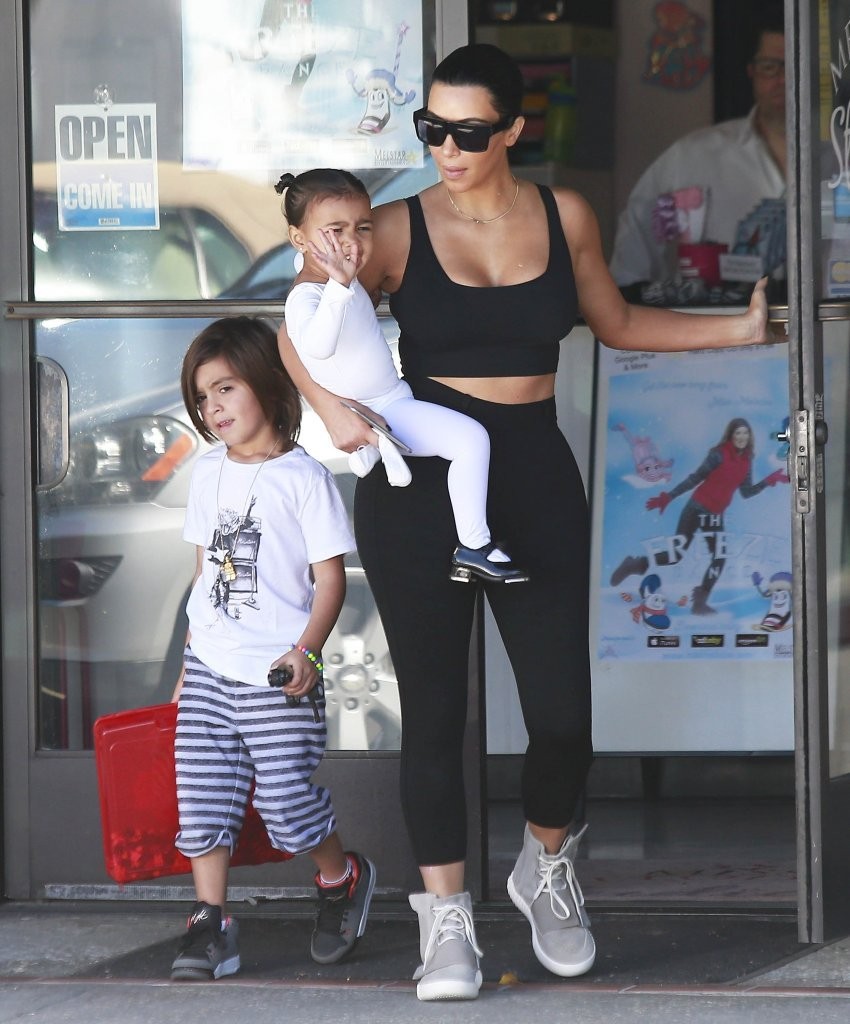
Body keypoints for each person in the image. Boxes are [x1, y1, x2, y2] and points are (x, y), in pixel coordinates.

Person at [277, 43, 778, 1002]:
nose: (446, 149)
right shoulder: (389, 227)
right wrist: (333, 411)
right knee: (433, 717)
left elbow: (617, 323)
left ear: (512, 129)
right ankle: (444, 921)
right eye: (431, 128)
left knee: (562, 719)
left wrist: (738, 330)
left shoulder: (564, 215)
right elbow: (293, 319)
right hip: (420, 481)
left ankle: (545, 864)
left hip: (535, 472)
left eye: (468, 132)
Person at [169, 316, 376, 981]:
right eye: (202, 397)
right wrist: (187, 663)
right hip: (209, 666)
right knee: (201, 801)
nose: (213, 407)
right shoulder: (206, 472)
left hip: (276, 673)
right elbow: (204, 576)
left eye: (225, 388)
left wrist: (307, 653)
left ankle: (340, 879)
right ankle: (210, 923)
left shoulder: (304, 478)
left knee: (286, 804)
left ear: (265, 382)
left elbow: (330, 580)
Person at [278, 167, 527, 584]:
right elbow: (316, 345)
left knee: (466, 441)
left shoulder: (344, 282)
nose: (351, 242)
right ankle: (474, 544)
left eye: (363, 228)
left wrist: (343, 283)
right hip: (382, 408)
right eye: (335, 231)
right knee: (471, 441)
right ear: (299, 239)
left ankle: (378, 449)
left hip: (394, 398)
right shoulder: (308, 296)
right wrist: (339, 286)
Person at [609, 11, 786, 292]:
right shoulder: (692, 156)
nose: (784, 79)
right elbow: (631, 264)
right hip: (715, 319)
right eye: (770, 67)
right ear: (751, 71)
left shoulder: (840, 154)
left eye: (796, 67)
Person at [609, 417, 789, 614]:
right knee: (676, 555)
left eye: (745, 433)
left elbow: (746, 492)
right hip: (696, 508)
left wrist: (768, 480)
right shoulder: (718, 454)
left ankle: (699, 603)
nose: (742, 437)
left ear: (750, 436)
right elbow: (696, 478)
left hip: (715, 515)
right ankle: (634, 564)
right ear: (731, 435)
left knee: (719, 558)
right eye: (738, 432)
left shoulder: (746, 461)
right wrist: (669, 496)